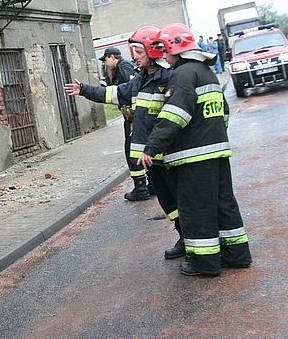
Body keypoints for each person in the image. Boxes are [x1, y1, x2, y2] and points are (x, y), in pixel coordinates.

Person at [139, 23, 252, 277]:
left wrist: (152, 147)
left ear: (174, 47)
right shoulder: (207, 73)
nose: (163, 56)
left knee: (196, 209)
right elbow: (223, 113)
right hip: (218, 153)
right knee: (223, 204)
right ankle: (236, 254)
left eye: (165, 49)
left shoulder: (183, 75)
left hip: (193, 158)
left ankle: (204, 262)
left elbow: (174, 116)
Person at [66, 28, 182, 256]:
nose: (135, 56)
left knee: (181, 199)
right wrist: (84, 90)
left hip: (169, 154)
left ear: (152, 51)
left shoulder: (170, 77)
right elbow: (116, 93)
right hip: (151, 158)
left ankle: (193, 239)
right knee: (169, 203)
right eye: (134, 51)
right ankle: (183, 235)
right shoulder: (141, 79)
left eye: (139, 51)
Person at [95, 47, 144, 199]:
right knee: (135, 150)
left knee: (132, 151)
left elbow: (130, 90)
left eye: (106, 60)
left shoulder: (124, 67)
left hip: (134, 118)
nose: (105, 63)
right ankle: (147, 186)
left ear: (112, 57)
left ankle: (141, 188)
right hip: (131, 117)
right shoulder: (116, 70)